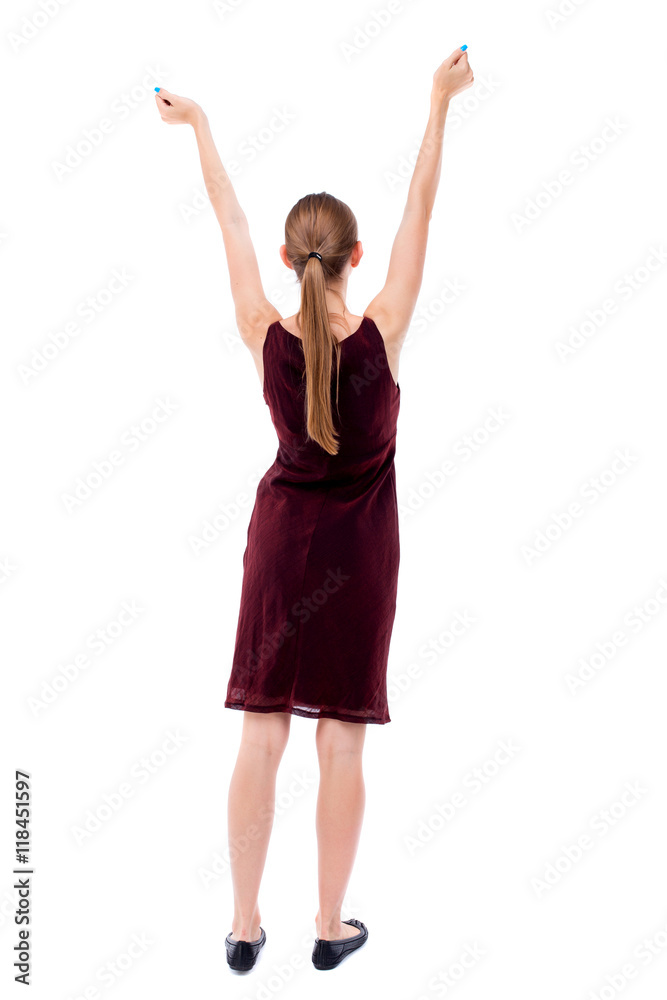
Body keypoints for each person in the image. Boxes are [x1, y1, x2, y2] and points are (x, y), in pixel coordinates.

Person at [154, 43, 473, 973]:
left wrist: (201, 128)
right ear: (353, 259)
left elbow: (228, 213)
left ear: (292, 260)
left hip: (281, 552)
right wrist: (439, 102)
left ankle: (243, 927)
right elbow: (422, 204)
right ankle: (329, 929)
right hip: (363, 560)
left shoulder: (262, 332)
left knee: (261, 734)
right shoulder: (389, 324)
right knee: (341, 746)